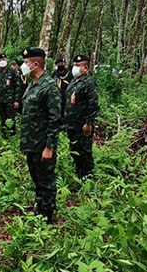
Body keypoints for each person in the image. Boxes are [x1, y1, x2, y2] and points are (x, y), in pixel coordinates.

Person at [19, 48, 62, 223]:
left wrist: (49, 146)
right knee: (37, 178)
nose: (24, 66)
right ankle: (41, 208)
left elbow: (55, 119)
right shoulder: (32, 84)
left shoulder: (49, 86)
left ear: (35, 64)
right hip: (32, 143)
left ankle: (48, 214)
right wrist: (25, 145)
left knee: (46, 180)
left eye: (26, 63)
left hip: (43, 144)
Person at [63, 54, 99, 179]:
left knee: (84, 152)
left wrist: (88, 123)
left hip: (82, 125)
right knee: (75, 150)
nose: (75, 68)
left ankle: (87, 178)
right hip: (71, 124)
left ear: (86, 68)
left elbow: (93, 104)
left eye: (78, 66)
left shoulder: (89, 83)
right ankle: (79, 174)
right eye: (74, 65)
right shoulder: (73, 82)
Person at [0, 54, 22, 137]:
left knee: (11, 119)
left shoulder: (13, 72)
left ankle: (12, 135)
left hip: (11, 101)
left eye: (3, 59)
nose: (2, 61)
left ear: (7, 60)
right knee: (3, 118)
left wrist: (17, 100)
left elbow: (18, 87)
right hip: (1, 100)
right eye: (0, 60)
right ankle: (5, 135)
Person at [51, 57, 73, 122]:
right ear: (57, 65)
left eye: (63, 63)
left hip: (66, 96)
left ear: (65, 64)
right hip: (56, 96)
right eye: (60, 63)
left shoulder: (69, 74)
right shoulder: (54, 74)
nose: (61, 64)